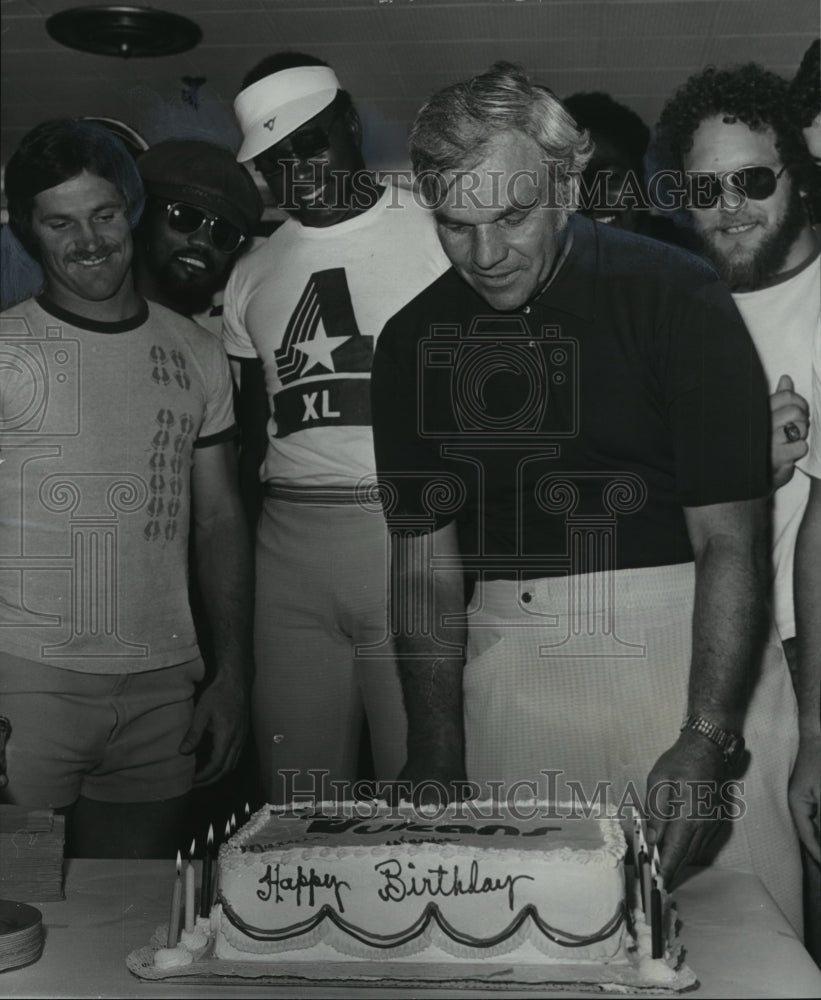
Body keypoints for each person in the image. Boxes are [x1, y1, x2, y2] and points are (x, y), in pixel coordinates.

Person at [370, 62, 802, 934]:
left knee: (743, 948)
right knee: (529, 950)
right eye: (455, 223)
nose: (485, 255)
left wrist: (708, 738)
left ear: (566, 183)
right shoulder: (412, 342)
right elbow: (424, 563)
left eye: (511, 216)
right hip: (517, 677)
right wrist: (436, 747)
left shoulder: (677, 295)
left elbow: (731, 540)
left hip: (687, 657)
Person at [0, 120, 254, 857]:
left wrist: (232, 678)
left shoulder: (199, 352)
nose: (88, 240)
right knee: (20, 914)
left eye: (104, 214)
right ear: (29, 231)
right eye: (61, 222)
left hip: (162, 686)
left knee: (128, 918)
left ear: (131, 212)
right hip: (26, 684)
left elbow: (218, 522)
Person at [222, 53, 449, 803]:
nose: (299, 170)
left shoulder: (441, 233)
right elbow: (254, 437)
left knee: (417, 788)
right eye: (276, 161)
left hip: (407, 536)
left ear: (348, 123)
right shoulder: (250, 272)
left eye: (311, 143)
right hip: (288, 550)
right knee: (293, 796)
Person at [655, 59, 820, 958]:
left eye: (753, 180)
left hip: (808, 652)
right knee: (742, 915)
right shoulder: (679, 309)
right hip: (721, 653)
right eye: (706, 187)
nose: (730, 206)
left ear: (795, 173)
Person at [134, 139, 262, 336]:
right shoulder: (78, 326)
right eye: (185, 218)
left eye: (223, 233)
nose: (203, 241)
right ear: (141, 214)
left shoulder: (208, 353)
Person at [562, 90, 695, 247]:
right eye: (574, 181)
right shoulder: (552, 262)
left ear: (645, 182)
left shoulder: (694, 257)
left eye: (611, 178)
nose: (589, 196)